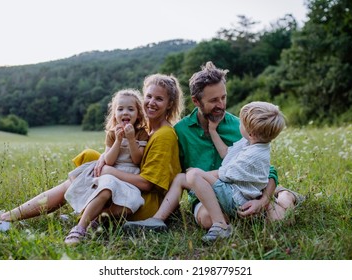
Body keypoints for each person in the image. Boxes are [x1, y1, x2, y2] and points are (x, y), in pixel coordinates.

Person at [0, 73, 184, 238]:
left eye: (159, 99)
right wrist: (104, 158)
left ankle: (5, 218)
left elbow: (148, 183)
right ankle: (11, 217)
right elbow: (121, 153)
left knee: (80, 180)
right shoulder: (148, 127)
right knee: (90, 160)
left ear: (169, 104)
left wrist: (108, 170)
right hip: (126, 185)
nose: (151, 102)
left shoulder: (164, 135)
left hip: (141, 203)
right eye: (148, 96)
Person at [123, 61, 304, 235]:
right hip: (204, 196)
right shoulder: (180, 132)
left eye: (223, 97)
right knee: (206, 219)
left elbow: (267, 170)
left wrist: (263, 200)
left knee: (280, 221)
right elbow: (170, 172)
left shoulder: (240, 127)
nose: (221, 105)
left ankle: (285, 195)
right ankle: (236, 217)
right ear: (196, 101)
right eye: (214, 100)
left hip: (243, 192)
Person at [184, 101, 286, 242]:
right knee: (205, 214)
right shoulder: (250, 143)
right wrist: (213, 131)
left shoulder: (253, 154)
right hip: (240, 194)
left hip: (237, 198)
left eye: (242, 123)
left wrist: (198, 177)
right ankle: (281, 198)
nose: (239, 124)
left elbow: (224, 174)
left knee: (193, 174)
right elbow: (227, 153)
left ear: (251, 134)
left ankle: (221, 226)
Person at [63, 89, 149, 245]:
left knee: (130, 205)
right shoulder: (112, 133)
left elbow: (137, 160)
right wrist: (118, 140)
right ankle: (80, 228)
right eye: (120, 109)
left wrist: (130, 140)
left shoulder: (141, 134)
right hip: (110, 174)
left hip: (128, 177)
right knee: (106, 188)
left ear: (138, 114)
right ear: (114, 113)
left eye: (131, 109)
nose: (125, 112)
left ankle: (94, 219)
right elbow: (108, 161)